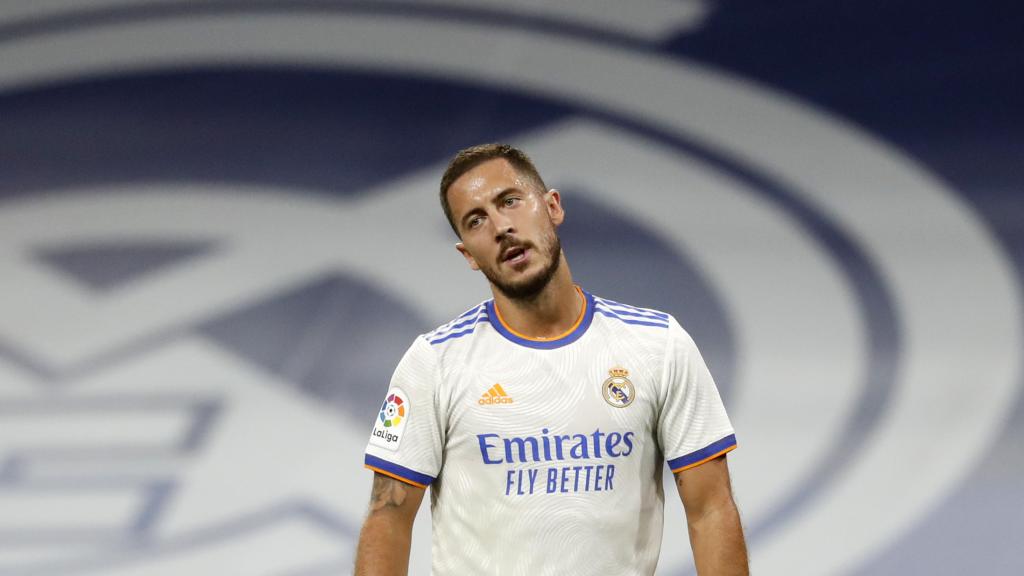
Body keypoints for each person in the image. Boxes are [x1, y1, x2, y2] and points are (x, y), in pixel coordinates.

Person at [354, 144, 748, 575]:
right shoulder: (435, 362)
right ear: (467, 254)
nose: (501, 226)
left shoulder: (658, 345)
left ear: (552, 206)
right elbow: (388, 518)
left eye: (509, 201)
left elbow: (711, 510)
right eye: (476, 220)